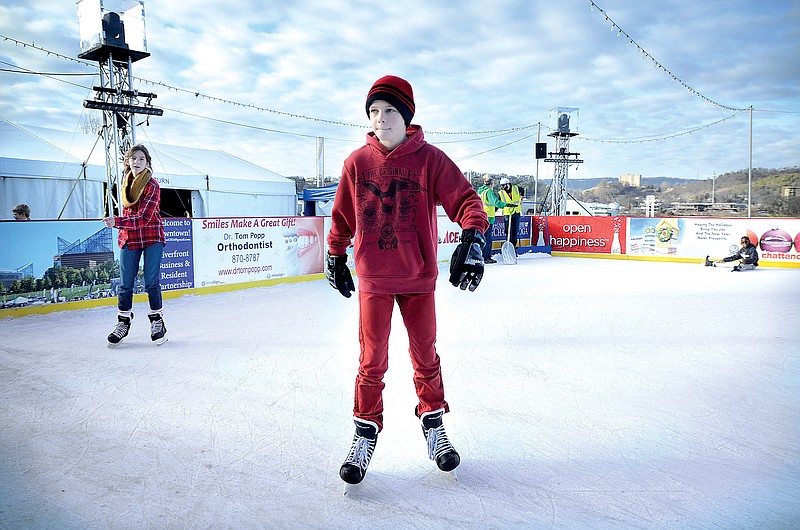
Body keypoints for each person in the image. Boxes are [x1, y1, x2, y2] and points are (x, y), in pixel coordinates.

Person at [326, 75, 488, 485]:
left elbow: (467, 201)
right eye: (374, 112)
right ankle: (365, 432)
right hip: (374, 280)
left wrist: (472, 239)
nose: (380, 119)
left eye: (389, 111)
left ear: (407, 116)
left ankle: (434, 426)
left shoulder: (430, 159)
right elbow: (342, 216)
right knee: (371, 360)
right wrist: (335, 254)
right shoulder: (356, 163)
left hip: (418, 278)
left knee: (425, 355)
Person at [103, 144, 167, 345]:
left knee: (150, 281)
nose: (136, 162)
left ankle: (157, 320)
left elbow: (144, 218)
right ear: (127, 162)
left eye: (141, 159)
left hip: (151, 236)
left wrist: (118, 222)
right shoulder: (125, 183)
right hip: (130, 237)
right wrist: (120, 223)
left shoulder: (152, 185)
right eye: (133, 158)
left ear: (147, 163)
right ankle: (123, 321)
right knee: (125, 283)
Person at [476, 175, 508, 263]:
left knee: (482, 237)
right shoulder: (489, 191)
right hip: (489, 217)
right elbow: (495, 202)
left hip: (481, 215)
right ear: (491, 184)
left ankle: (482, 256)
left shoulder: (480, 191)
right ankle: (486, 257)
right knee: (488, 238)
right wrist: (505, 204)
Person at [497, 178, 523, 249]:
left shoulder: (516, 188)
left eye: (503, 185)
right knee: (508, 232)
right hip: (507, 214)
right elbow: (498, 203)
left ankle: (513, 247)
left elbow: (522, 190)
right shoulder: (501, 193)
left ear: (508, 184)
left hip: (516, 212)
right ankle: (509, 247)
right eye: (501, 186)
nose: (502, 187)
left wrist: (521, 197)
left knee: (515, 231)